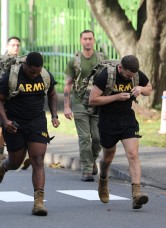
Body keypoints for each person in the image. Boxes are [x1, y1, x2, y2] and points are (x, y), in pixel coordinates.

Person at [0, 52, 60, 216]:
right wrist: (5, 121)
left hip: (37, 122)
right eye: (32, 72)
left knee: (38, 159)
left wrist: (54, 115)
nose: (35, 75)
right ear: (25, 65)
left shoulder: (44, 75)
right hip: (14, 123)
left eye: (38, 71)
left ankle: (38, 203)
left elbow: (51, 93)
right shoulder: (12, 75)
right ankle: (4, 164)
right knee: (16, 162)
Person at [89, 55, 152, 209]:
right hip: (108, 121)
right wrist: (116, 97)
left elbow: (149, 88)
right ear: (120, 68)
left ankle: (136, 194)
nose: (130, 78)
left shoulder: (136, 75)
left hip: (127, 120)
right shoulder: (106, 75)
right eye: (128, 75)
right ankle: (103, 178)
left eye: (132, 76)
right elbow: (93, 100)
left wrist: (141, 88)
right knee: (108, 158)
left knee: (133, 154)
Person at [63, 30, 106, 181]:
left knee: (98, 137)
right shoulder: (74, 61)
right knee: (84, 138)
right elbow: (68, 84)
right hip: (80, 102)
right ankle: (87, 170)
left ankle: (92, 160)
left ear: (94, 40)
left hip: (97, 102)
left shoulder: (102, 58)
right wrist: (67, 106)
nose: (88, 41)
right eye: (85, 39)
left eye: (90, 39)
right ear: (81, 41)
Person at [0, 36, 30, 169]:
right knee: (1, 127)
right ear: (7, 46)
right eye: (13, 45)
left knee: (23, 128)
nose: (16, 47)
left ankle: (25, 156)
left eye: (18, 45)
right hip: (2, 102)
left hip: (19, 103)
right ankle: (0, 155)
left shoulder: (24, 62)